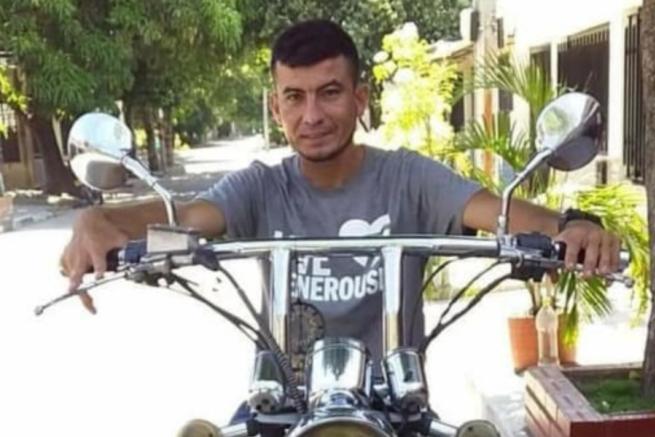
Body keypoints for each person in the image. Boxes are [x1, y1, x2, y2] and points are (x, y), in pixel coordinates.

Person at [60, 18, 620, 434]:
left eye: (329, 93)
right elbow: (184, 218)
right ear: (276, 108)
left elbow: (499, 212)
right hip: (281, 405)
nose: (312, 115)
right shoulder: (259, 187)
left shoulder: (408, 178)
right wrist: (100, 220)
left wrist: (574, 226)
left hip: (395, 403)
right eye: (294, 97)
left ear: (359, 98)